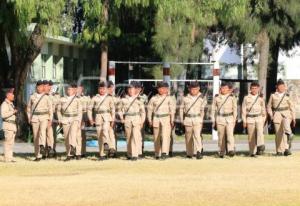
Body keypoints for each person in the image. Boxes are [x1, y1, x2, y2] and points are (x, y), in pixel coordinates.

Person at [147, 81, 176, 160]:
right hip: (156, 118)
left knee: (165, 136)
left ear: (167, 89)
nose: (161, 90)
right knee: (156, 137)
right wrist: (149, 120)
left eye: (163, 88)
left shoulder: (169, 98)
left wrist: (172, 120)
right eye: (159, 88)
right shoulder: (153, 98)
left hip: (166, 118)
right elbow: (149, 110)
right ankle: (157, 153)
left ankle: (164, 152)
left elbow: (172, 110)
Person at [267, 79, 296, 156]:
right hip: (276, 115)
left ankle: (286, 148)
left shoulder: (287, 95)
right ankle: (279, 151)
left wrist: (293, 117)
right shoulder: (273, 95)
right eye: (280, 86)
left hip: (286, 114)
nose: (282, 88)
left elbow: (292, 107)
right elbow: (269, 106)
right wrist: (271, 115)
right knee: (278, 133)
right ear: (277, 87)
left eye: (283, 86)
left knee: (286, 131)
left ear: (285, 87)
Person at [88, 81, 115, 160]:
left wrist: (113, 119)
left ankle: (106, 143)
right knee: (100, 136)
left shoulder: (109, 98)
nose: (102, 90)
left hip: (107, 117)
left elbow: (113, 109)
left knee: (105, 130)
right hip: (98, 117)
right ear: (98, 89)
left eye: (103, 89)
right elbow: (89, 109)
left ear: (106, 89)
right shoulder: (95, 98)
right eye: (100, 89)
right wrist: (90, 119)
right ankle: (102, 154)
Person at [118, 82, 145, 161]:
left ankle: (135, 154)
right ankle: (129, 153)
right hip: (127, 118)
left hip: (136, 118)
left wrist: (142, 121)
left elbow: (143, 112)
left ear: (135, 90)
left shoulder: (139, 99)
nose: (130, 90)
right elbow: (119, 109)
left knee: (135, 136)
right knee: (129, 137)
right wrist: (121, 118)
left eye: (132, 89)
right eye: (129, 89)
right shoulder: (123, 100)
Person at [179, 81, 207, 159]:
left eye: (196, 89)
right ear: (189, 89)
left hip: (197, 118)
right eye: (192, 89)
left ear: (198, 89)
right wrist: (182, 120)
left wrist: (201, 119)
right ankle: (189, 153)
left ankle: (198, 151)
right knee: (188, 136)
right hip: (188, 118)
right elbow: (181, 109)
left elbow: (202, 110)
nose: (194, 90)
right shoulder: (185, 98)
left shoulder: (202, 97)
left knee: (197, 135)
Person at [27, 80, 53, 161]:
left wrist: (50, 119)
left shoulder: (46, 97)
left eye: (42, 86)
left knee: (42, 131)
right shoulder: (32, 96)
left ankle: (42, 146)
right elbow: (28, 108)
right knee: (36, 137)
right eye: (39, 87)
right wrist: (29, 117)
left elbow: (50, 109)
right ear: (36, 87)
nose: (40, 88)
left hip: (44, 117)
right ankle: (38, 155)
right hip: (35, 118)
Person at [211, 82, 237, 158]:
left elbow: (235, 109)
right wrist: (213, 120)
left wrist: (234, 119)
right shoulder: (216, 97)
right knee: (221, 136)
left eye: (226, 88)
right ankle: (221, 152)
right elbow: (213, 110)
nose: (224, 89)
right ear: (220, 89)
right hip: (220, 118)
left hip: (229, 118)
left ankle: (231, 150)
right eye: (223, 88)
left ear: (228, 89)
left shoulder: (232, 97)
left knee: (230, 135)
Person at [57, 83, 82, 161]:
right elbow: (58, 110)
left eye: (70, 89)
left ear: (74, 90)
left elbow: (80, 111)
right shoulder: (62, 99)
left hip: (74, 118)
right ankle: (69, 154)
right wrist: (60, 119)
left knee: (73, 134)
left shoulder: (77, 99)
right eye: (67, 89)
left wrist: (78, 120)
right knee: (67, 137)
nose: (68, 91)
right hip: (65, 119)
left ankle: (76, 151)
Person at [242, 81, 266, 157]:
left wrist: (263, 119)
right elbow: (243, 110)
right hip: (250, 118)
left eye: (256, 88)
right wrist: (244, 121)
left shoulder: (261, 98)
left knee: (260, 132)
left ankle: (260, 146)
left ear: (258, 89)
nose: (254, 90)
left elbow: (263, 110)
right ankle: (252, 152)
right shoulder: (246, 98)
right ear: (250, 89)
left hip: (259, 117)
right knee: (251, 136)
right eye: (253, 88)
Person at [1, 88, 17, 163]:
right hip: (7, 125)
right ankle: (7, 158)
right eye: (12, 94)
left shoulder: (11, 104)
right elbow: (3, 115)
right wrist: (12, 112)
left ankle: (10, 157)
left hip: (12, 126)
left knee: (11, 143)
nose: (13, 96)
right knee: (7, 143)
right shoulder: (4, 104)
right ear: (7, 95)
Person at [43, 80, 57, 158]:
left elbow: (57, 107)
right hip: (43, 117)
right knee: (43, 135)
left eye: (49, 86)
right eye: (46, 86)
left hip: (52, 117)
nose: (48, 87)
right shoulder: (41, 95)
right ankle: (44, 152)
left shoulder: (53, 96)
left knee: (52, 135)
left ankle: (52, 150)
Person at [77, 84, 91, 158]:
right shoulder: (74, 98)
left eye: (80, 88)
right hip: (75, 117)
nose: (78, 90)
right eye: (77, 88)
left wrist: (89, 118)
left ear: (82, 89)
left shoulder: (86, 98)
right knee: (75, 135)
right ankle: (77, 152)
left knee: (82, 135)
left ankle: (83, 152)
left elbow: (89, 108)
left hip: (83, 116)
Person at [135, 81, 148, 157]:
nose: (138, 89)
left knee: (141, 134)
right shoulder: (131, 96)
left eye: (139, 88)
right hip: (133, 117)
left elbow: (146, 107)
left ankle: (140, 149)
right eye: (136, 88)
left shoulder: (144, 97)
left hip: (141, 117)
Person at [106, 80, 119, 157]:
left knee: (113, 135)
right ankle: (110, 151)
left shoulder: (114, 97)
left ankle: (113, 151)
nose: (112, 89)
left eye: (112, 88)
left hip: (115, 118)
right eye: (110, 88)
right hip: (108, 118)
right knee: (108, 135)